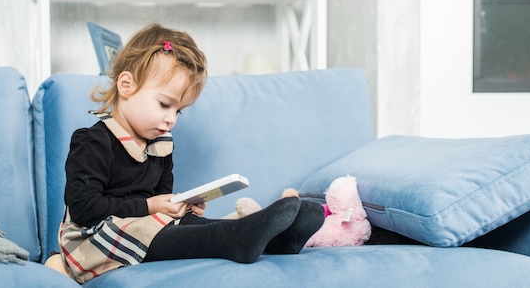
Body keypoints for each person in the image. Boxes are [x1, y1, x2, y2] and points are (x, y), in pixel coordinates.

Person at [48, 23, 324, 283]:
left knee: (180, 221)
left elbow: (161, 203)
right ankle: (236, 239)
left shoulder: (161, 144)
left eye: (178, 110)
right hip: (92, 240)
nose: (171, 120)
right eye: (164, 104)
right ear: (126, 86)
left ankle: (278, 241)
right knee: (150, 227)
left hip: (142, 227)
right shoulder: (93, 141)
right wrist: (152, 206)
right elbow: (85, 209)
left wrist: (180, 204)